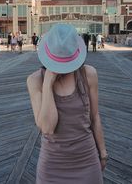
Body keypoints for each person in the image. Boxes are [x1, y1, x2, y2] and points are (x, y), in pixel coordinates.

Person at [27, 24, 107, 184]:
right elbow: (47, 128)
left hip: (87, 159)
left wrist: (103, 152)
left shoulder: (88, 74)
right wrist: (48, 83)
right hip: (52, 165)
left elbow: (95, 116)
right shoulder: (35, 81)